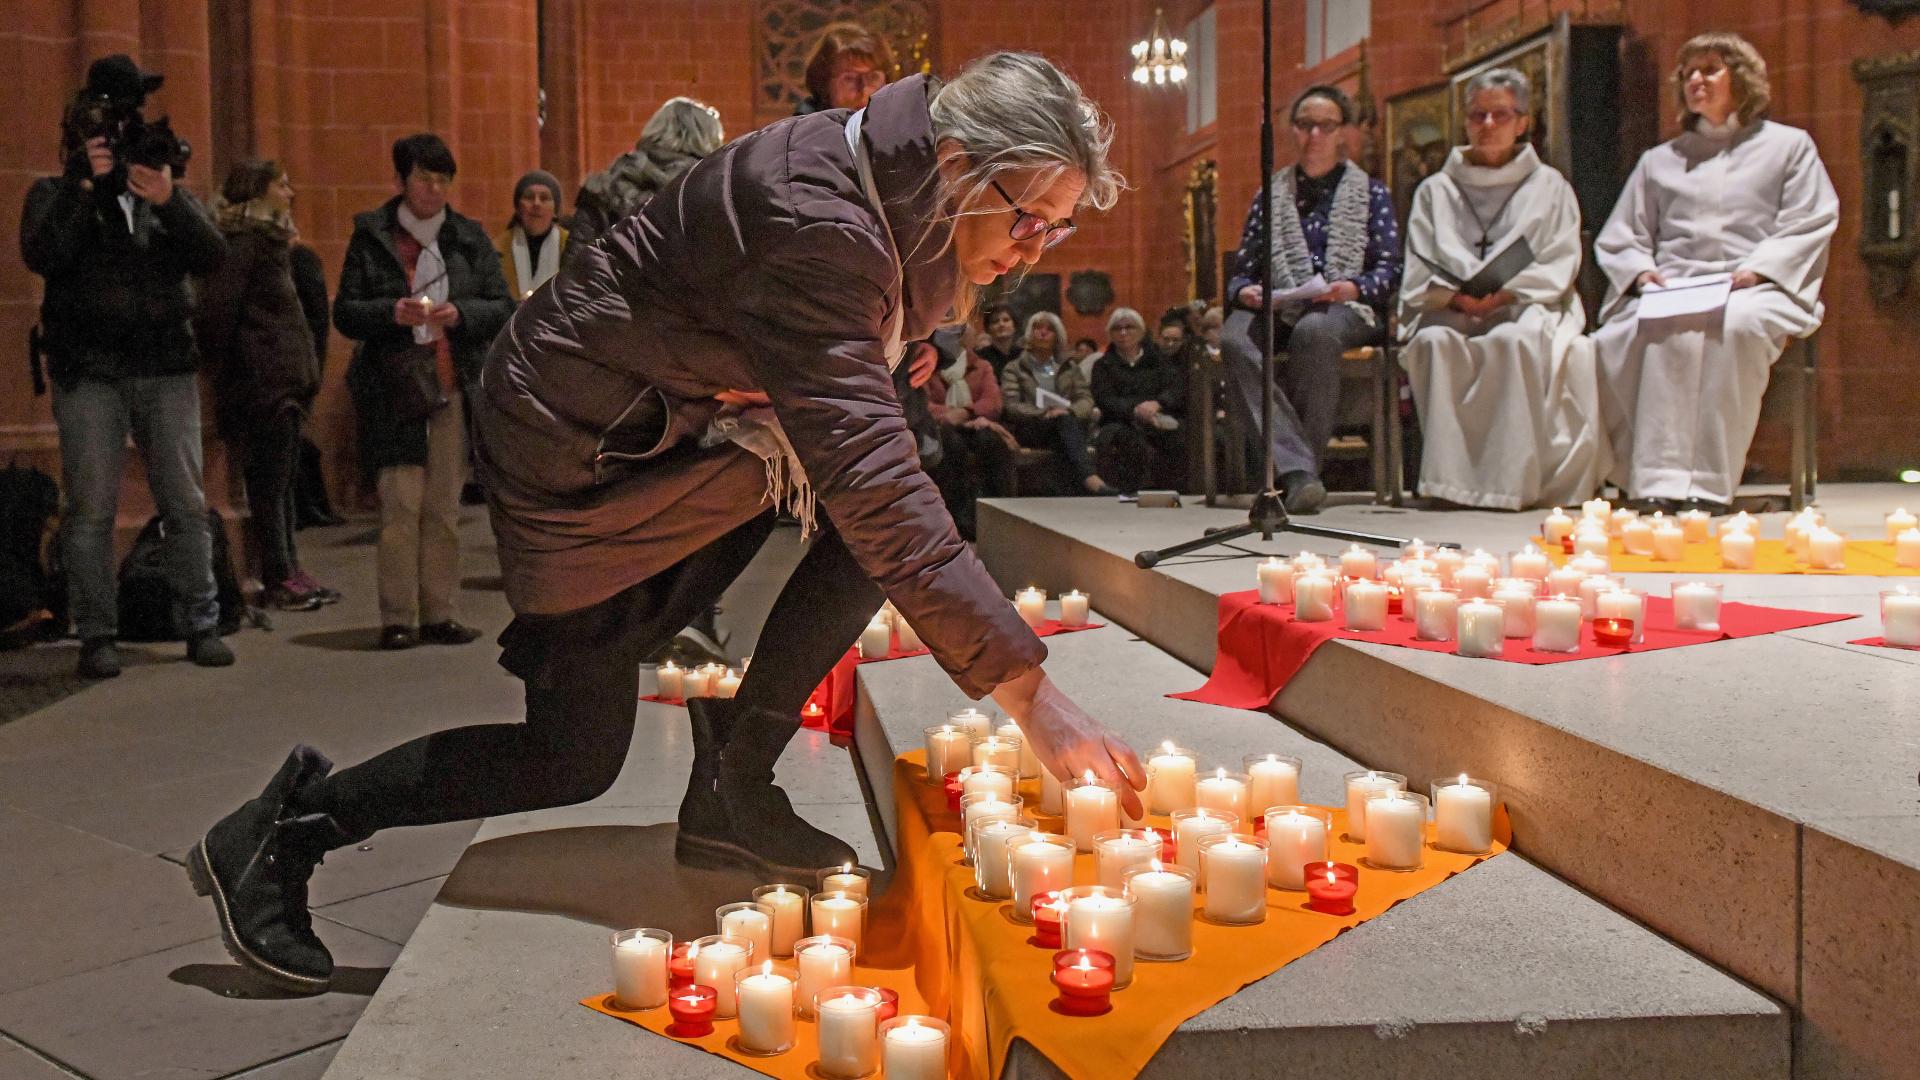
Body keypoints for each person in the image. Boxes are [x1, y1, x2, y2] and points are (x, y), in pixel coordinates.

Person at [190, 53, 1145, 995]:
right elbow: (870, 469)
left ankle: (735, 781)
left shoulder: (869, 188)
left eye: (1054, 232)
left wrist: (878, 363)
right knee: (571, 754)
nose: (1029, 251)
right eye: (1026, 217)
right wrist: (1031, 698)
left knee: (865, 516)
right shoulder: (826, 219)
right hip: (587, 455)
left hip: (673, 436)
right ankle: (285, 833)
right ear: (950, 163)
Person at [20, 55, 231, 677]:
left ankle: (202, 622)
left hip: (164, 364)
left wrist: (170, 200)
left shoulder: (162, 189)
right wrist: (84, 187)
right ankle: (97, 633)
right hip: (89, 371)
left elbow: (211, 254)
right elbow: (44, 254)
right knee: (90, 508)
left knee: (185, 503)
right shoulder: (55, 193)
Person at [1593, 33, 1837, 514]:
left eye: (1709, 69)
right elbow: (1625, 235)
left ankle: (1708, 485)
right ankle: (1655, 481)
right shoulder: (1660, 160)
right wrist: (1642, 275)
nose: (1695, 81)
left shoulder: (1788, 147)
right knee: (1637, 329)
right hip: (1675, 283)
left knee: (1734, 323)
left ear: (1741, 78)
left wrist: (1759, 270)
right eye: (1687, 74)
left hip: (1754, 285)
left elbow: (1810, 219)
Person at [1398, 68, 1607, 511]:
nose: (1488, 125)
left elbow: (1560, 258)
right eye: (1478, 116)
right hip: (1451, 308)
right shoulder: (1436, 191)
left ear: (1522, 121)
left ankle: (1510, 484)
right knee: (1435, 343)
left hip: (1525, 304)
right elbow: (1418, 262)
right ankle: (1449, 485)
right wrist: (1457, 297)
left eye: (1500, 115)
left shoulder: (1549, 186)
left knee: (1516, 343)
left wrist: (1505, 294)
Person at [337, 134, 512, 651]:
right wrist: (390, 311)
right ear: (401, 181)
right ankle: (398, 617)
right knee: (400, 504)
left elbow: (500, 304)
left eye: (442, 181)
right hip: (395, 389)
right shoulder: (372, 236)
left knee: (443, 508)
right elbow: (345, 311)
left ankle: (440, 611)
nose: (433, 190)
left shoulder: (468, 238)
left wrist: (462, 314)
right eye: (423, 179)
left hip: (451, 384)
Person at [1218, 85, 1402, 514]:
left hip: (1347, 309)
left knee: (1315, 329)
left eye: (1326, 125)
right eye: (1305, 125)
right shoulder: (1270, 194)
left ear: (1344, 133)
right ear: (1293, 132)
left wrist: (1354, 288)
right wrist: (1243, 290)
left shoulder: (1372, 193)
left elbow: (1390, 269)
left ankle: (1297, 472)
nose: (1314, 134)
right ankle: (1299, 473)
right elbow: (1243, 268)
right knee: (1233, 338)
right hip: (1284, 304)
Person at [196, 160, 331, 610]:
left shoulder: (269, 242)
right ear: (257, 192)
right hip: (263, 381)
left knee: (284, 480)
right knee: (269, 485)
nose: (290, 192)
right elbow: (218, 311)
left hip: (283, 379)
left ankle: (290, 568)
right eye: (282, 184)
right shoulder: (245, 242)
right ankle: (277, 575)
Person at [571, 97, 724, 249]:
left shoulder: (606, 186)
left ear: (654, 129)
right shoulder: (714, 193)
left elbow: (575, 263)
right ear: (710, 140)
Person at [1000, 310, 1111, 495]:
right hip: (1033, 426)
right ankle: (1091, 481)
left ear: (1057, 336)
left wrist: (1071, 411)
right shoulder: (1015, 368)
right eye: (1038, 328)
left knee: (1065, 426)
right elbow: (1011, 405)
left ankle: (1065, 496)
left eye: (1049, 329)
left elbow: (1085, 399)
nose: (1043, 333)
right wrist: (1043, 413)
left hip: (1065, 423)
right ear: (1030, 333)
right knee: (1066, 428)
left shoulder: (1070, 367)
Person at [923, 327, 1011, 539]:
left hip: (977, 424)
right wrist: (951, 415)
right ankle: (955, 520)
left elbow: (993, 402)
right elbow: (923, 404)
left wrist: (967, 412)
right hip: (943, 428)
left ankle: (1000, 517)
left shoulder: (981, 366)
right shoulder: (928, 365)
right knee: (951, 444)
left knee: (990, 442)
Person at [1092, 307, 1185, 493]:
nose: (1124, 332)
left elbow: (1175, 388)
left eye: (1129, 327)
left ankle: (1171, 493)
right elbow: (1105, 399)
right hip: (1120, 421)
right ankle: (1131, 494)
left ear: (1141, 331)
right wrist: (1136, 410)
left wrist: (1158, 404)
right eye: (1117, 328)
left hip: (1158, 415)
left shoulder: (1159, 360)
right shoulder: (1103, 365)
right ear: (1110, 333)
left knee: (1179, 437)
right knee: (1129, 442)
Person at [495, 170, 568, 300]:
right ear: (518, 208)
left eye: (544, 198)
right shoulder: (497, 248)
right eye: (529, 197)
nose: (536, 204)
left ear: (555, 210)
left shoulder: (570, 246)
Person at [793, 20, 894, 114]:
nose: (865, 91)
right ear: (824, 86)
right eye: (849, 78)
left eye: (873, 77)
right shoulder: (805, 129)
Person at [975, 301, 1023, 377]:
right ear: (988, 329)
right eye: (995, 322)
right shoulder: (979, 357)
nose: (1001, 324)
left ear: (1014, 326)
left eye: (1006, 320)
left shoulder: (1024, 355)